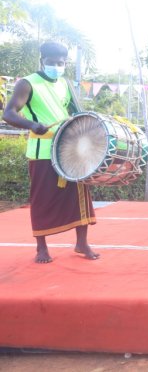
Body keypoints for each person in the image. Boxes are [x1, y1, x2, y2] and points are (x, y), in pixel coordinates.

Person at [2, 41, 98, 263]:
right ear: (42, 61)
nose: (56, 66)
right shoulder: (27, 83)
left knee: (80, 196)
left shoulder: (65, 83)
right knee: (42, 199)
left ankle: (81, 243)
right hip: (42, 149)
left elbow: (77, 113)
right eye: (51, 62)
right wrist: (31, 125)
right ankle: (41, 248)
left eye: (61, 62)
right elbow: (9, 113)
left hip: (69, 149)